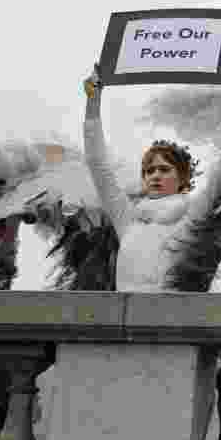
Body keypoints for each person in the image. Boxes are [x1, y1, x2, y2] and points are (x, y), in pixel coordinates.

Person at [83, 69, 201, 292]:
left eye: (164, 169)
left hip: (175, 320)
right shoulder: (128, 219)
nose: (155, 175)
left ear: (182, 178)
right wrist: (92, 101)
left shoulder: (193, 215)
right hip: (125, 318)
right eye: (149, 170)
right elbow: (97, 164)